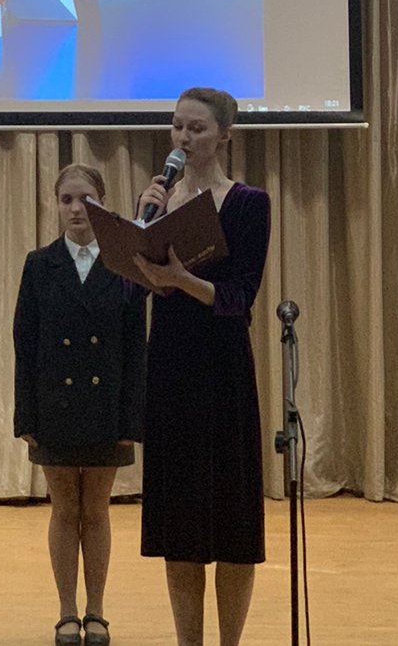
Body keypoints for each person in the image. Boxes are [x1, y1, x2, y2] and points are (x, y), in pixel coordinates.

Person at [132, 88, 271, 646]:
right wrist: (141, 225)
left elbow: (240, 296)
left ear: (224, 136)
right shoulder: (158, 201)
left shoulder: (248, 204)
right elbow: (130, 287)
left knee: (233, 525)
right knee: (180, 527)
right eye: (177, 127)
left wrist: (181, 280)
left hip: (223, 372)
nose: (183, 139)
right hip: (170, 370)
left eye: (196, 129)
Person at [13, 164, 148, 646]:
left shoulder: (124, 264)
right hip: (55, 404)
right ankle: (67, 611)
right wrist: (25, 414)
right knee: (64, 508)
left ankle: (97, 612)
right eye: (66, 199)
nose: (76, 209)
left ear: (102, 203)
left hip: (107, 405)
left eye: (86, 199)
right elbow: (25, 344)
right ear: (56, 204)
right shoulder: (39, 264)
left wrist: (133, 418)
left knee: (97, 508)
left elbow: (136, 347)